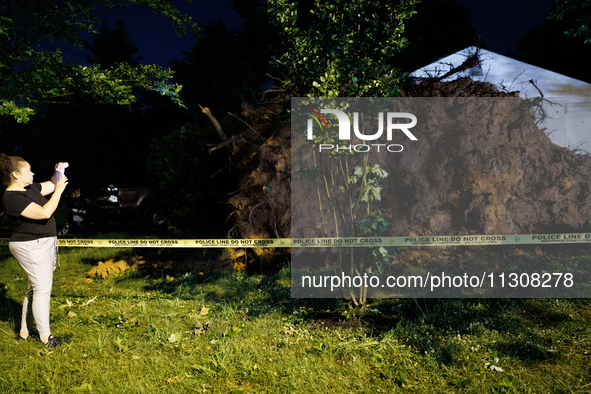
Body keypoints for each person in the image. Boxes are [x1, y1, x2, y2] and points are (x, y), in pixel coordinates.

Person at [0, 153, 69, 347]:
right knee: (43, 290)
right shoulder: (12, 197)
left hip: (40, 244)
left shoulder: (30, 188)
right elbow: (44, 212)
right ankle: (46, 338)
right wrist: (59, 192)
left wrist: (58, 171)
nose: (33, 173)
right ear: (15, 174)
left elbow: (53, 183)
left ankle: (23, 331)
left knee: (34, 289)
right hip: (31, 246)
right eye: (28, 170)